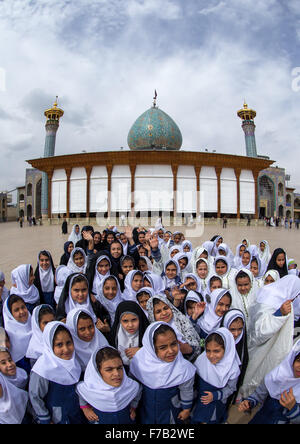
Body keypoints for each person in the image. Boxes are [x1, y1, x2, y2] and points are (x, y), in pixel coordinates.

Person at [240, 275, 300, 399]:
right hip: (260, 348)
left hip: (269, 348)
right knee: (253, 372)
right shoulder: (270, 299)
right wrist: (280, 314)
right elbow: (259, 331)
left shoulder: (284, 299)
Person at [129, 322, 196, 424]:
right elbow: (135, 386)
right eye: (163, 347)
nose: (170, 351)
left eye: (174, 344)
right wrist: (133, 405)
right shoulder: (140, 362)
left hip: (170, 411)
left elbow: (186, 390)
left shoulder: (183, 368)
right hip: (146, 409)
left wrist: (186, 409)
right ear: (151, 348)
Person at [29, 321, 85, 424]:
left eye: (69, 343)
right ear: (49, 345)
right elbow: (35, 397)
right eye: (59, 345)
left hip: (75, 413)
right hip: (57, 417)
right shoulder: (42, 370)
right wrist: (45, 419)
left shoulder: (73, 362)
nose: (66, 349)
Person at [238, 339, 300, 424]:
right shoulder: (278, 376)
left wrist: (293, 408)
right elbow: (259, 394)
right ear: (292, 359)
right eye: (299, 361)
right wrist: (249, 402)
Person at [77, 346, 141, 424]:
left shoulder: (129, 385)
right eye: (109, 370)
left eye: (119, 368)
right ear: (98, 371)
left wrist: (133, 407)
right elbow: (80, 391)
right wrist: (85, 408)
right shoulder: (90, 388)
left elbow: (138, 390)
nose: (116, 373)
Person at [191, 328, 241, 424]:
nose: (211, 355)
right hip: (199, 402)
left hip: (216, 403)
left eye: (216, 351)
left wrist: (215, 395)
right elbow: (195, 381)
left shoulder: (232, 369)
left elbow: (231, 388)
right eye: (208, 350)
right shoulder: (202, 360)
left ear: (227, 349)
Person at [146, 294, 202, 361]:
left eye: (166, 308)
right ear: (152, 316)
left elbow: (196, 345)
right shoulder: (152, 333)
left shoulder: (182, 320)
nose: (164, 313)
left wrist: (189, 349)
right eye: (158, 311)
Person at [108, 301, 149, 372]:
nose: (130, 325)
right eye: (125, 321)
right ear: (120, 321)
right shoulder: (114, 335)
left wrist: (142, 351)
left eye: (134, 320)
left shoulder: (147, 332)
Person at [66, 308, 109, 372]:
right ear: (73, 331)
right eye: (82, 329)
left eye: (90, 327)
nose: (88, 332)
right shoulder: (68, 351)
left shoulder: (100, 339)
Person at [2, 295, 32, 375]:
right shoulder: (8, 336)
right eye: (16, 310)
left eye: (23, 307)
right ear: (10, 314)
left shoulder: (34, 325)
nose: (22, 312)